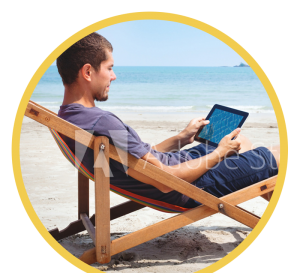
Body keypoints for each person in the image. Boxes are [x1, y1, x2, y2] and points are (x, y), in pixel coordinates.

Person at [57, 32, 279, 208]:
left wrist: (182, 137)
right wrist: (219, 153)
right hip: (188, 186)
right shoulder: (103, 122)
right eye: (110, 68)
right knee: (278, 154)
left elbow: (134, 161)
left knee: (245, 143)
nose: (113, 76)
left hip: (179, 166)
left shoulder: (71, 118)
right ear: (87, 72)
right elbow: (164, 182)